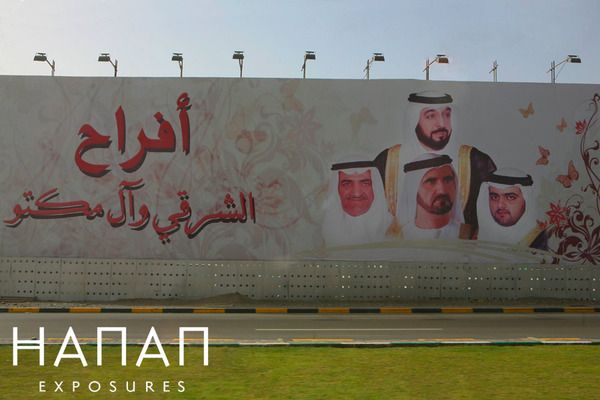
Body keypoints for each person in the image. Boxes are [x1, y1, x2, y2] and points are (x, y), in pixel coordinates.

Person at [374, 91, 496, 239]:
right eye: (431, 116)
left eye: (447, 115)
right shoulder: (387, 162)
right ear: (413, 121)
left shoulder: (477, 162)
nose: (442, 124)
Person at [322, 157, 391, 247]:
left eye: (365, 183)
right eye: (347, 184)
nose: (356, 193)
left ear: (375, 188)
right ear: (336, 189)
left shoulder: (395, 228)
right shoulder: (321, 233)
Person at [476, 168, 547, 249]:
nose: (500, 205)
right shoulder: (476, 235)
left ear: (526, 200)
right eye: (494, 197)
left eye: (510, 197)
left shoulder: (537, 240)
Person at [398, 153, 463, 239]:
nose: (442, 190)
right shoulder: (400, 237)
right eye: (431, 182)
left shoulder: (467, 234)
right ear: (413, 189)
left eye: (447, 180)